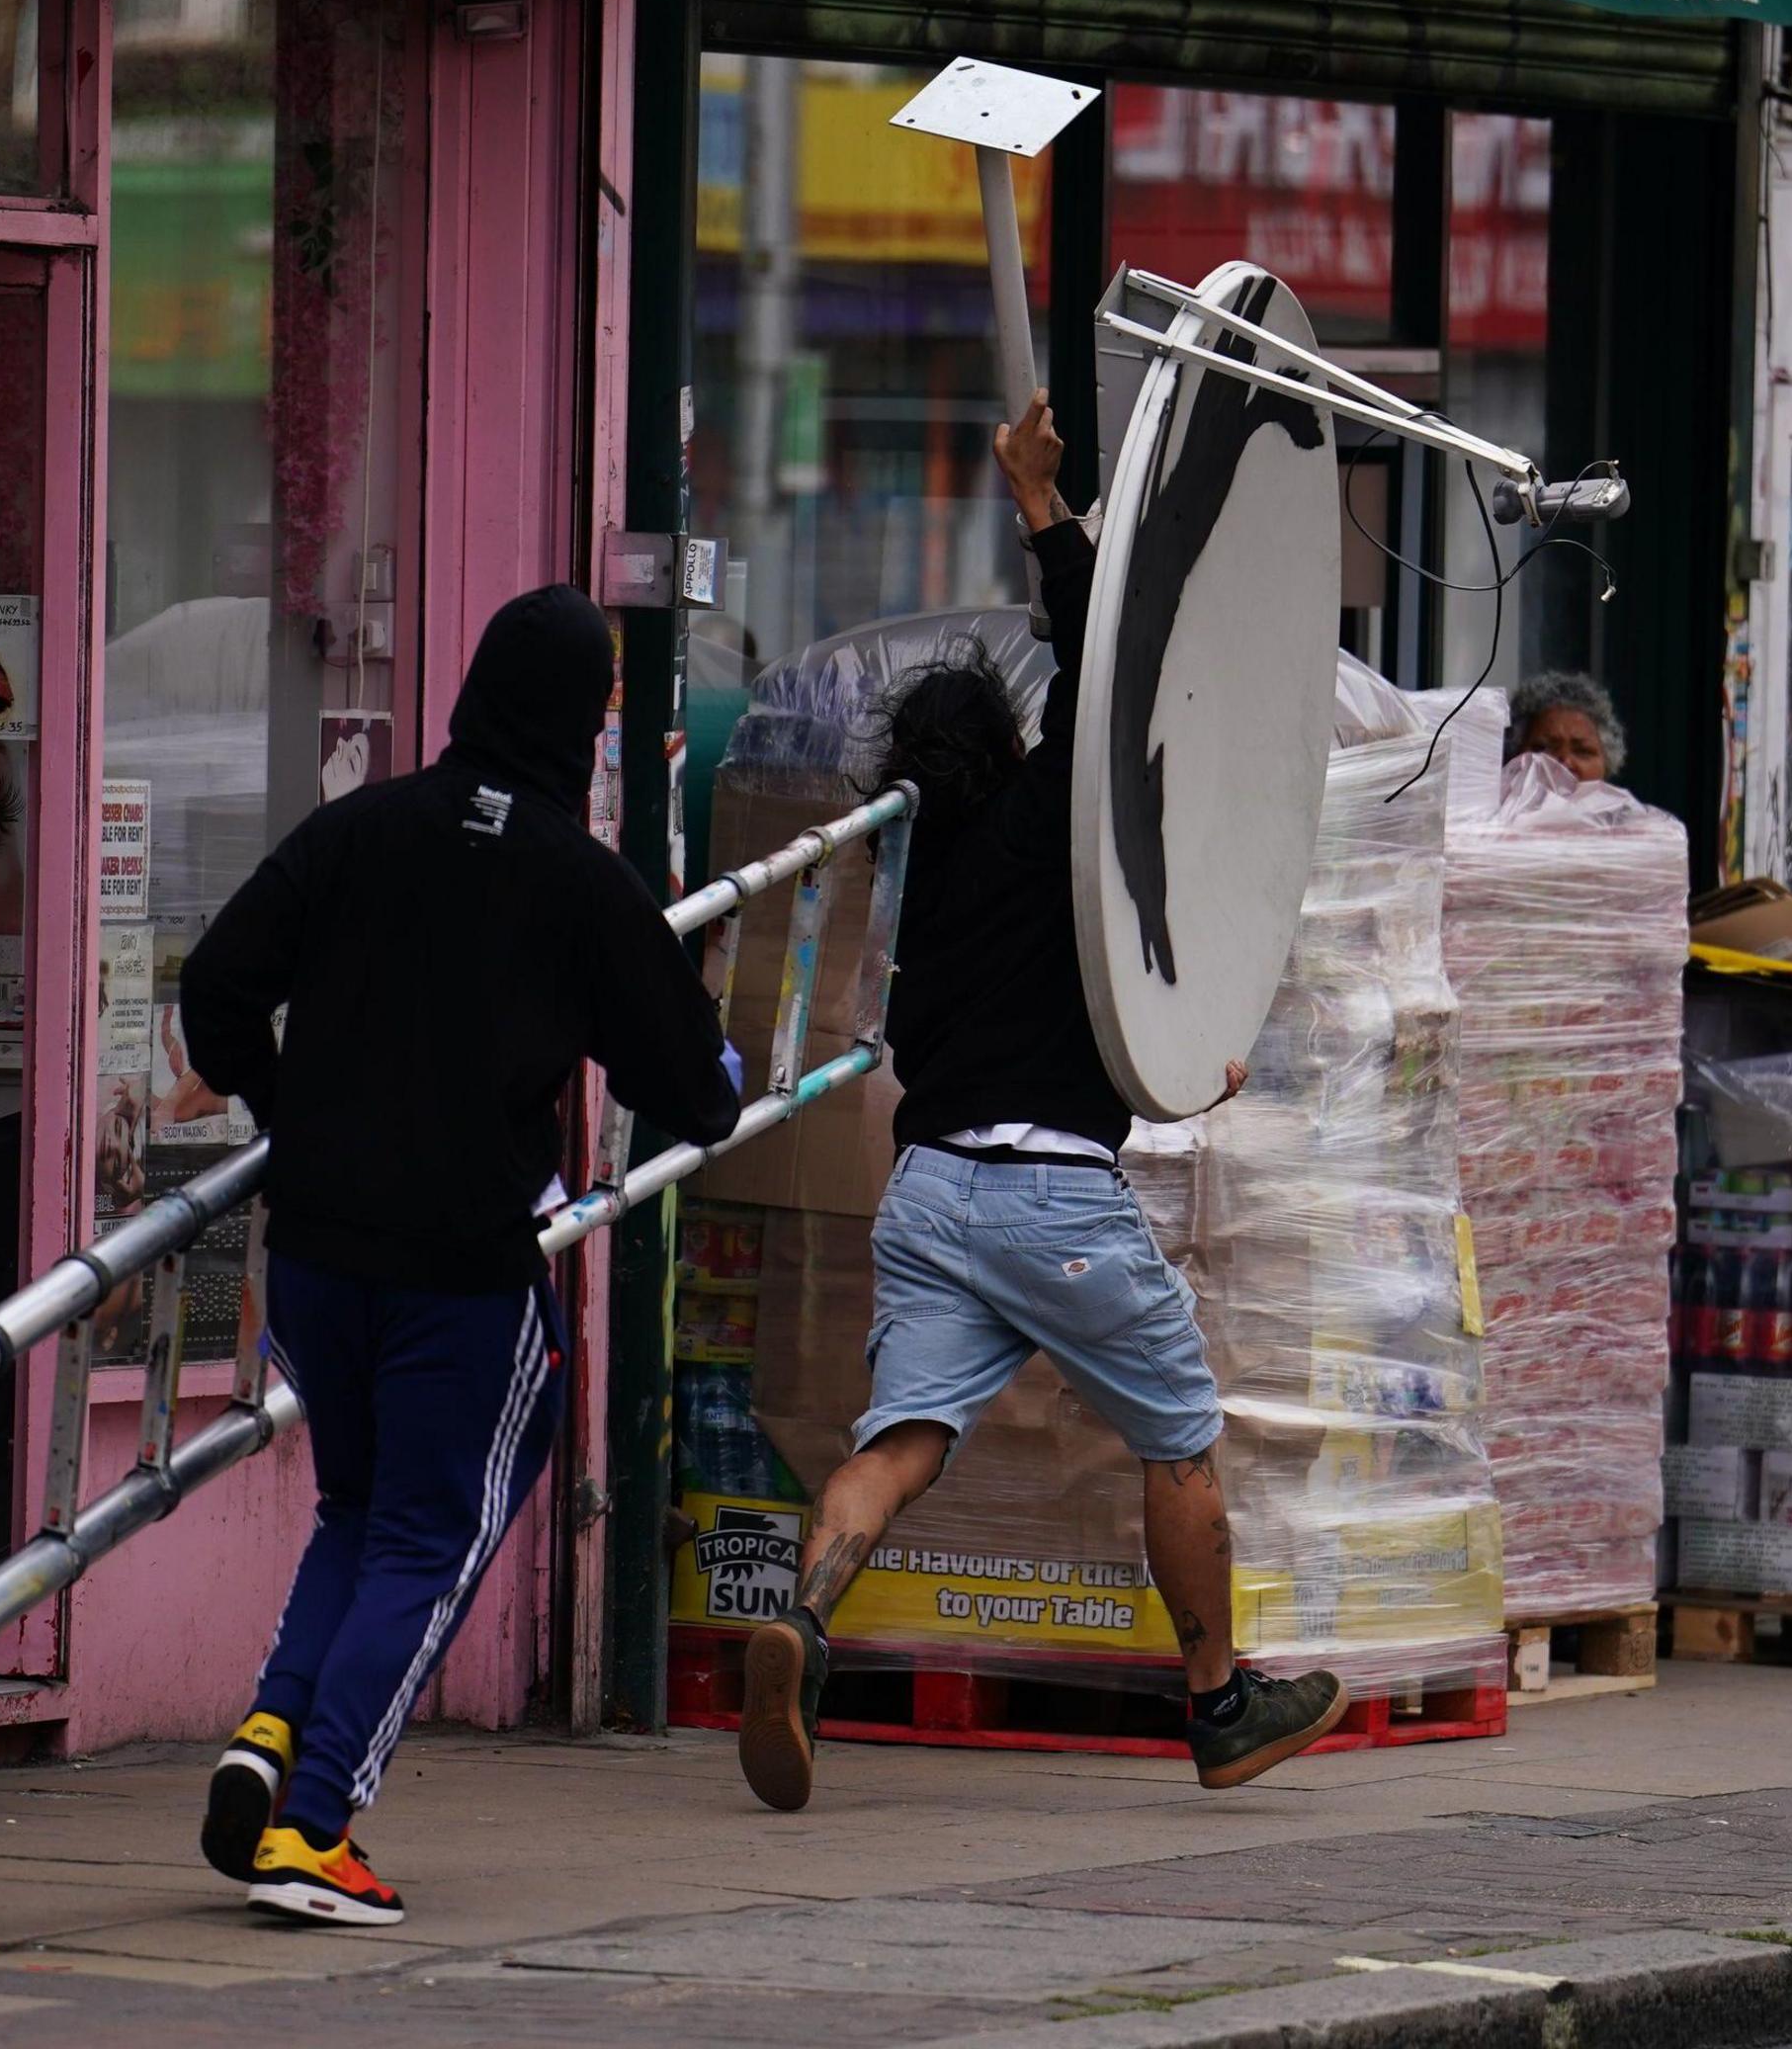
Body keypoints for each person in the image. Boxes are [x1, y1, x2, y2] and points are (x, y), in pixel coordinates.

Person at [735, 390, 1347, 1816]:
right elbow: (1108, 661)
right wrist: (1039, 506)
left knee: (902, 1441)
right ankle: (1220, 1704)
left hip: (932, 1188)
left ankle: (804, 1623)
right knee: (1181, 1435)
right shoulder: (1037, 823)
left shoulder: (924, 884)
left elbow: (1087, 1010)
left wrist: (1178, 1052)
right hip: (1048, 1193)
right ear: (1005, 752)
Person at [175, 584, 743, 1926]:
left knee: (359, 1509)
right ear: (575, 725)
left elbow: (215, 991)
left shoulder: (358, 830)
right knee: (437, 1534)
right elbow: (695, 1090)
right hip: (460, 1269)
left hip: (316, 1252)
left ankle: (271, 1739)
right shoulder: (576, 880)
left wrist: (286, 1108)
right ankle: (315, 1828)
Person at [1506, 671, 1624, 784]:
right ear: (1515, 755)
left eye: (1582, 751)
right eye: (1545, 749)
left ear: (1607, 764)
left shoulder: (1629, 804)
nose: (1565, 764)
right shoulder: (1491, 804)